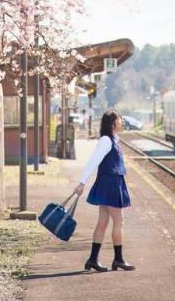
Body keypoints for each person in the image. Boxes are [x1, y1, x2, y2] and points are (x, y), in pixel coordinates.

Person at [73, 109, 134, 272]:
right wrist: (82, 182)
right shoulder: (106, 141)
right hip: (111, 183)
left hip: (110, 182)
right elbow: (93, 161)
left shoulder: (113, 139)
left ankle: (93, 259)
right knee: (119, 221)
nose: (121, 121)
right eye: (119, 119)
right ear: (113, 123)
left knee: (103, 222)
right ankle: (118, 259)